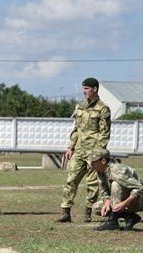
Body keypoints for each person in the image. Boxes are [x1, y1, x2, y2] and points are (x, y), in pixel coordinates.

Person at [56, 77, 111, 223]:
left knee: (92, 183)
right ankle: (65, 212)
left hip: (94, 152)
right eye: (83, 88)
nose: (84, 91)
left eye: (87, 88)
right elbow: (76, 129)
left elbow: (105, 133)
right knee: (71, 180)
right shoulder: (81, 106)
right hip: (79, 150)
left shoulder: (103, 108)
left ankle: (88, 212)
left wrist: (98, 153)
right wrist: (70, 147)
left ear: (95, 89)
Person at [87, 148, 143, 231]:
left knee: (115, 184)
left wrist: (124, 204)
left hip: (139, 200)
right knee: (97, 207)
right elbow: (104, 191)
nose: (91, 164)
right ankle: (131, 217)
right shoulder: (100, 171)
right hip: (121, 199)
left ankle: (113, 221)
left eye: (93, 162)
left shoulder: (117, 170)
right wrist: (106, 203)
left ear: (103, 161)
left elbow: (140, 188)